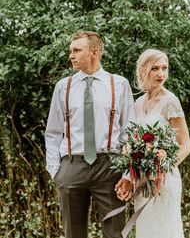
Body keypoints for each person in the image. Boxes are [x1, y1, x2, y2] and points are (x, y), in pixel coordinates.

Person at [45, 31, 135, 238]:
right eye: (71, 51)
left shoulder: (119, 84)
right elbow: (53, 132)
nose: (71, 55)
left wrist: (129, 173)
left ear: (94, 52)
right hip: (72, 165)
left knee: (115, 233)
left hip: (110, 165)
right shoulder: (63, 87)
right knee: (73, 234)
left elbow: (131, 131)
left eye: (77, 50)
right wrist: (56, 171)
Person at [116, 48, 190, 238]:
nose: (161, 74)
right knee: (146, 230)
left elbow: (185, 145)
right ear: (143, 70)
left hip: (164, 181)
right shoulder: (138, 103)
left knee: (165, 230)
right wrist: (129, 175)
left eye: (164, 68)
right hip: (142, 183)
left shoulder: (170, 101)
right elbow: (133, 145)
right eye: (155, 68)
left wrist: (160, 169)